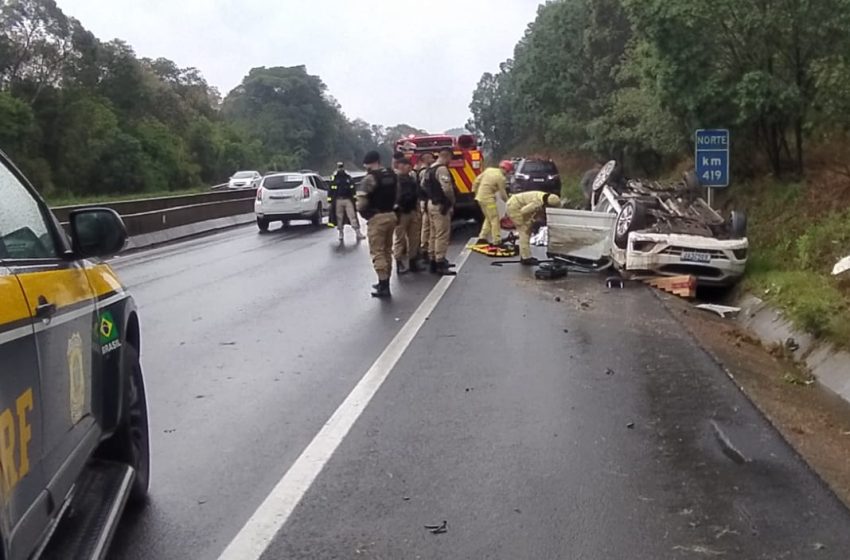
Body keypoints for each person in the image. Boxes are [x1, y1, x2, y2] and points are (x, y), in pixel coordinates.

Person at [357, 151, 399, 298]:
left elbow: (361, 202)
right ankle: (385, 280)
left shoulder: (370, 178)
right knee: (388, 250)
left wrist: (365, 213)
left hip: (377, 217)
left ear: (370, 163)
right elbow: (397, 194)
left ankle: (383, 284)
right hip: (391, 215)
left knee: (378, 251)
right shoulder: (392, 174)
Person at [505, 190, 561, 266]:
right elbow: (523, 211)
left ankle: (524, 255)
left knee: (527, 231)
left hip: (517, 204)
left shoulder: (544, 197)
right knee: (524, 232)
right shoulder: (537, 203)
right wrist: (530, 222)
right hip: (515, 208)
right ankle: (526, 258)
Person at [425, 147, 457, 276]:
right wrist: (451, 201)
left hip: (431, 203)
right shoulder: (442, 169)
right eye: (450, 159)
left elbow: (423, 185)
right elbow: (447, 189)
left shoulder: (429, 169)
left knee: (433, 233)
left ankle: (432, 260)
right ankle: (440, 262)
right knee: (442, 234)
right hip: (440, 205)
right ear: (447, 156)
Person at [392, 158, 422, 274]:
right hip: (401, 212)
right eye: (406, 165)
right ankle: (399, 262)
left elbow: (416, 195)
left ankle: (413, 262)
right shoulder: (395, 179)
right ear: (400, 166)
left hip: (412, 211)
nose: (408, 168)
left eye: (409, 166)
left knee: (414, 238)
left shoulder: (411, 179)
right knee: (400, 239)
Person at [472, 160, 512, 245]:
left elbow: (476, 181)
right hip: (489, 201)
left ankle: (482, 237)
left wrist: (475, 192)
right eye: (508, 172)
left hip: (480, 198)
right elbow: (502, 194)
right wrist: (509, 202)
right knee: (494, 219)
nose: (507, 174)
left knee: (488, 217)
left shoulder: (489, 170)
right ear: (506, 170)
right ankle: (497, 240)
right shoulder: (501, 178)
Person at [330, 163, 364, 241]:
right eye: (339, 167)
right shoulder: (334, 178)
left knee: (352, 216)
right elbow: (330, 190)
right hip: (338, 200)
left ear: (343, 168)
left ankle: (358, 232)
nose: (340, 169)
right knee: (339, 218)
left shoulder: (348, 177)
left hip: (348, 199)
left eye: (341, 167)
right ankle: (341, 233)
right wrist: (330, 201)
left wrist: (354, 199)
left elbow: (353, 189)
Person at [416, 152, 435, 266]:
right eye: (431, 157)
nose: (433, 159)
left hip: (424, 200)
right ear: (426, 159)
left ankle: (424, 249)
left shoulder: (423, 170)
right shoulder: (424, 172)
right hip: (425, 200)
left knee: (426, 226)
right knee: (427, 226)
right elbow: (424, 187)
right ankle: (425, 250)